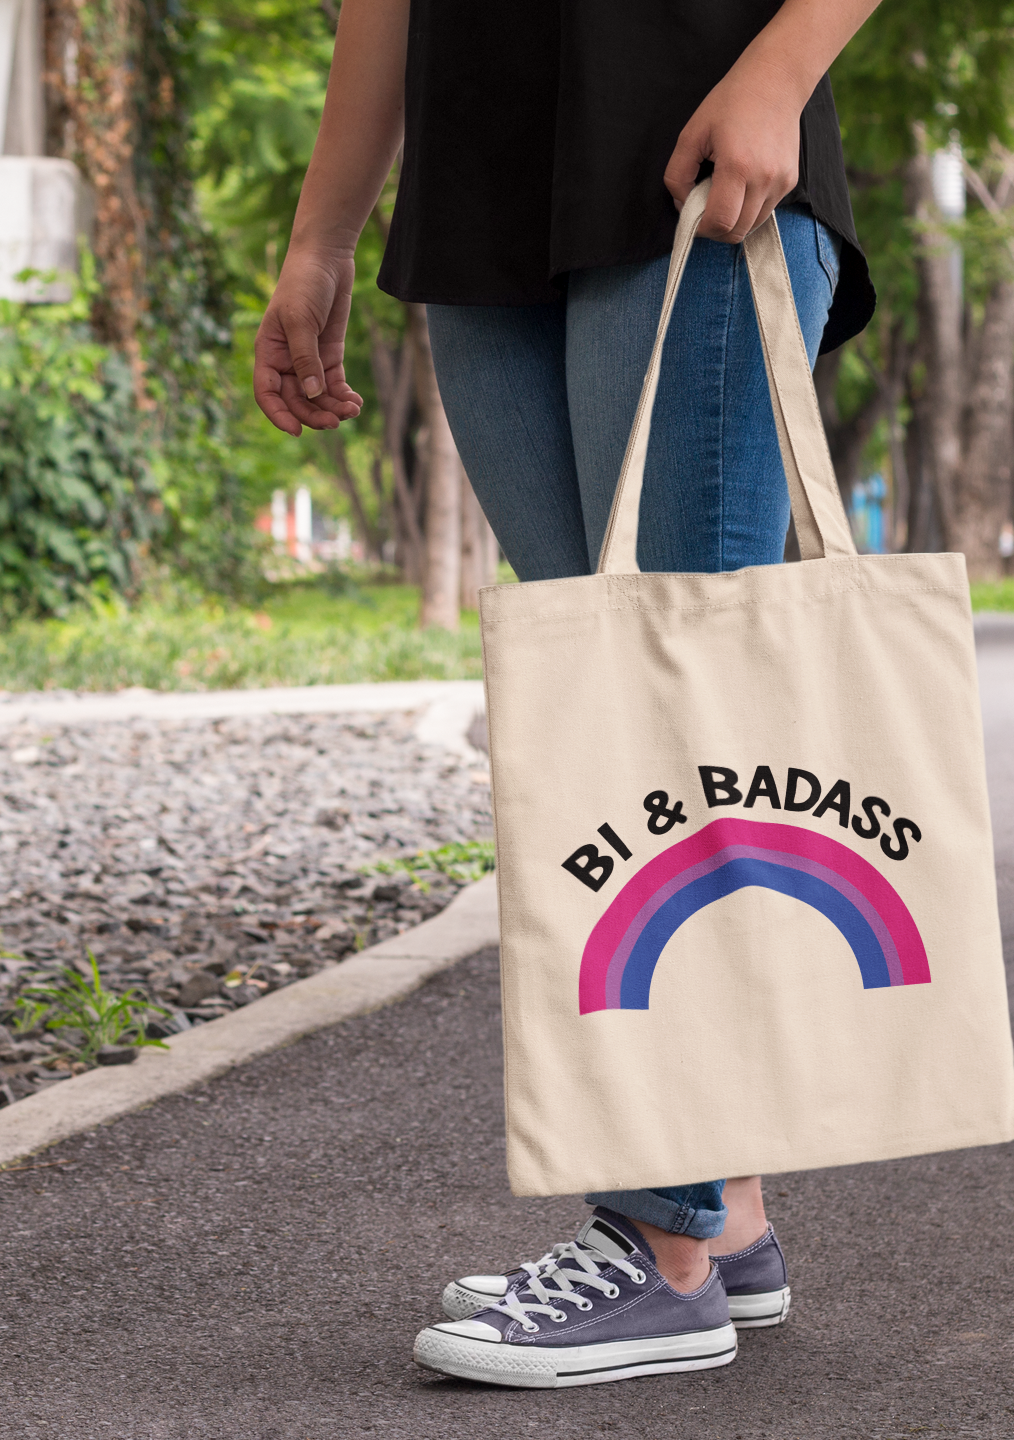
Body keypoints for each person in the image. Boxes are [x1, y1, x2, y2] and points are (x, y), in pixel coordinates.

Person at [256, 0, 882, 1389]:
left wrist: (781, 72)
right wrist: (323, 234)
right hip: (484, 178)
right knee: (605, 716)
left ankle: (660, 1256)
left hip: (705, 127)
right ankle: (728, 1218)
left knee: (671, 706)